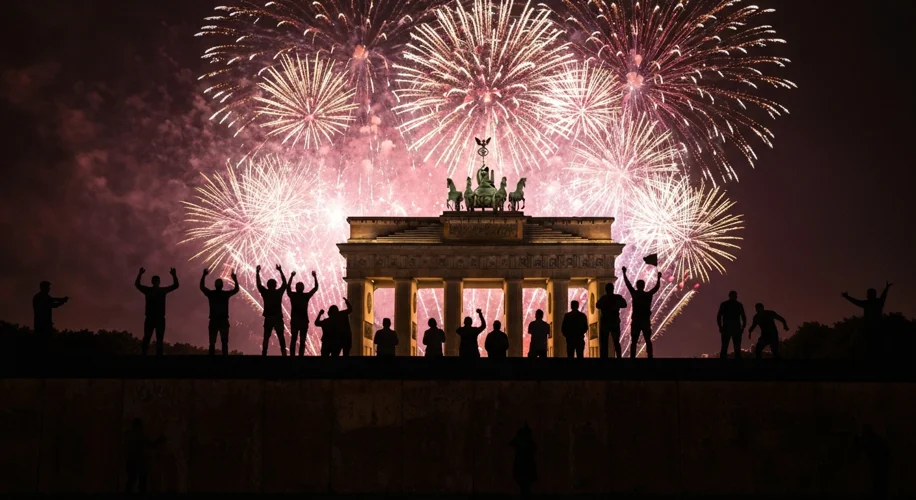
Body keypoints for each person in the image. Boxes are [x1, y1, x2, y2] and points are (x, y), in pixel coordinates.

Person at [134, 267, 179, 356]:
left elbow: (137, 285)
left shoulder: (152, 290)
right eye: (155, 280)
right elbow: (175, 286)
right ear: (156, 282)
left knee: (156, 338)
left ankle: (150, 354)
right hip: (153, 318)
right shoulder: (158, 291)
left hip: (157, 318)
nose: (156, 282)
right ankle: (147, 354)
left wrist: (174, 275)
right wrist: (174, 275)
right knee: (151, 338)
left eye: (156, 280)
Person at [843, 281, 892, 357]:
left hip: (870, 328)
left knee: (870, 347)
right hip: (877, 327)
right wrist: (886, 288)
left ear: (868, 295)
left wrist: (847, 297)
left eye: (868, 294)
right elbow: (883, 296)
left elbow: (856, 302)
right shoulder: (878, 302)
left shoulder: (868, 303)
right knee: (877, 346)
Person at [622, 267, 661, 359]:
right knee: (648, 340)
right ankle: (650, 356)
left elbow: (627, 284)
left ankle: (632, 357)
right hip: (645, 321)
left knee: (634, 341)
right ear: (644, 286)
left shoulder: (634, 294)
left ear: (637, 285)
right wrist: (658, 278)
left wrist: (624, 273)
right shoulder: (648, 295)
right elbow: (656, 288)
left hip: (636, 320)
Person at [199, 268, 239, 356]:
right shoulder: (225, 294)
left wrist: (203, 276)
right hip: (223, 321)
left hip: (213, 321)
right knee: (224, 342)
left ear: (215, 285)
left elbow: (202, 287)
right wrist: (235, 279)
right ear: (222, 285)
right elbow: (236, 290)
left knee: (212, 343)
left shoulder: (211, 294)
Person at [124, 418, 165, 494]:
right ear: (139, 426)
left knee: (132, 479)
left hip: (130, 461)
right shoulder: (140, 435)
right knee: (141, 480)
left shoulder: (128, 435)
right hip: (138, 461)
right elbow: (150, 445)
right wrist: (159, 441)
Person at [256, 264, 288, 356]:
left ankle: (264, 353)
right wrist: (280, 271)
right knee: (281, 337)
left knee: (266, 337)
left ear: (268, 285)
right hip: (277, 318)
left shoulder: (265, 292)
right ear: (275, 285)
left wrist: (257, 273)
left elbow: (258, 285)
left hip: (269, 318)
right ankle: (284, 354)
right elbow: (285, 284)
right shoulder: (278, 293)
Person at [286, 270, 319, 356]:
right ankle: (301, 356)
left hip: (295, 321)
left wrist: (291, 276)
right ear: (303, 288)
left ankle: (292, 355)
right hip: (303, 321)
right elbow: (315, 288)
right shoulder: (305, 296)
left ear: (296, 288)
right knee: (302, 340)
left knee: (294, 339)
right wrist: (315, 277)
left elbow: (288, 288)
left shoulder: (293, 296)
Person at [594, 284, 627, 358]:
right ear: (613, 289)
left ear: (606, 289)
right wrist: (615, 304)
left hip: (606, 322)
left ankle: (604, 358)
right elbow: (624, 304)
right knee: (616, 342)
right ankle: (618, 357)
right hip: (614, 321)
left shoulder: (604, 298)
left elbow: (597, 305)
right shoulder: (617, 297)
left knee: (604, 343)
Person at [32, 281, 68, 345]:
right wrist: (62, 302)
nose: (49, 289)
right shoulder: (41, 297)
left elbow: (52, 299)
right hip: (43, 324)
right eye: (48, 287)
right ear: (44, 287)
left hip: (41, 323)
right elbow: (53, 305)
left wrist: (62, 299)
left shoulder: (39, 296)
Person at [510, 423, 538, 498]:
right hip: (524, 467)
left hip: (524, 467)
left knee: (525, 487)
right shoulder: (528, 443)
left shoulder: (527, 443)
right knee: (525, 487)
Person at [717, 291, 747, 359]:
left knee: (725, 347)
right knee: (736, 347)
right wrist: (742, 328)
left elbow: (719, 316)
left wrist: (720, 327)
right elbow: (744, 317)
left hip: (726, 328)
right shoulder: (739, 305)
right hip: (736, 328)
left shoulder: (724, 304)